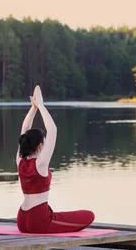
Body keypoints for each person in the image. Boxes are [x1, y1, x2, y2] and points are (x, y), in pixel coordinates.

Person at [16, 85, 95, 233]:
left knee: (61, 216)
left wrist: (33, 107)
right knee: (89, 215)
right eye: (44, 142)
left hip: (22, 219)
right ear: (40, 146)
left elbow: (24, 128)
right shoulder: (41, 163)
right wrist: (40, 105)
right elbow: (52, 130)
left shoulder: (20, 160)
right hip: (38, 220)